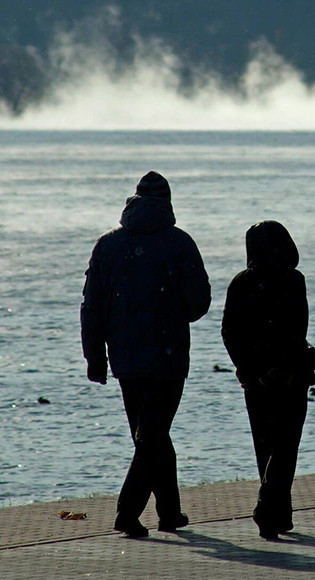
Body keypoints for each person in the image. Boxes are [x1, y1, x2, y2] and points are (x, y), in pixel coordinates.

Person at [81, 171, 211, 538]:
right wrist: (172, 308)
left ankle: (170, 513)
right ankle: (127, 513)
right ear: (167, 202)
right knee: (152, 436)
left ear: (133, 201)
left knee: (150, 436)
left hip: (125, 358)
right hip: (168, 359)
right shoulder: (180, 243)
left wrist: (95, 357)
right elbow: (198, 302)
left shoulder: (107, 245)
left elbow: (91, 307)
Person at [221, 220, 315, 540]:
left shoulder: (240, 282)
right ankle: (269, 507)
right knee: (286, 446)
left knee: (266, 445)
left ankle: (279, 514)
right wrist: (284, 368)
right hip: (290, 375)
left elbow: (230, 333)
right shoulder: (293, 279)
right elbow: (296, 329)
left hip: (255, 378)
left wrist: (248, 369)